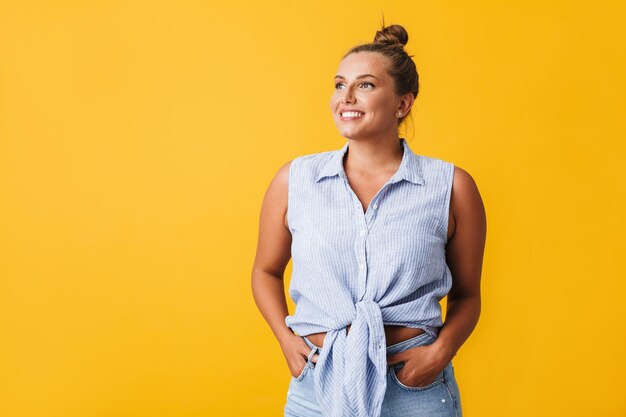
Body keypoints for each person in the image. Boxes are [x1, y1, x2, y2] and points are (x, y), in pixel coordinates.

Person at [251, 22, 486, 417]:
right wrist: (284, 339)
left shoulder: (451, 187)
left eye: (366, 85)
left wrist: (441, 353)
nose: (347, 97)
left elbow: (467, 294)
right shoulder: (295, 180)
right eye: (340, 84)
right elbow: (265, 271)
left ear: (403, 104)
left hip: (414, 386)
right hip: (317, 382)